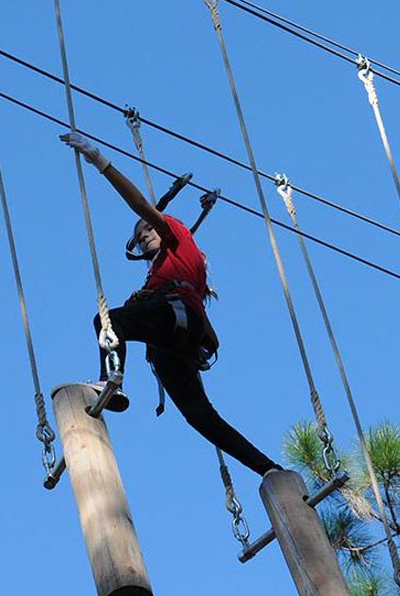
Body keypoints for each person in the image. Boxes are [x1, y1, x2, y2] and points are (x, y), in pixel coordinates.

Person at [60, 131, 281, 476]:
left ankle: (111, 378)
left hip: (177, 317)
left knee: (105, 321)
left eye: (147, 230)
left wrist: (102, 163)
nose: (143, 235)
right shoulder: (156, 278)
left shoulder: (178, 238)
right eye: (138, 236)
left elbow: (140, 206)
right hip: (171, 343)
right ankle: (268, 468)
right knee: (199, 416)